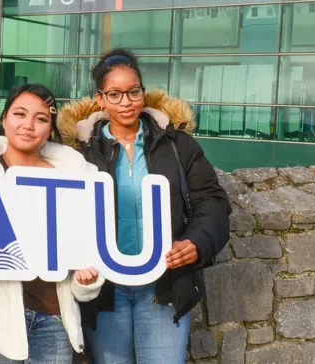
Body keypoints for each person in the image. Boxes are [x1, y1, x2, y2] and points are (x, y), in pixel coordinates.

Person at [57, 48, 232, 364]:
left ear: (143, 92)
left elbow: (213, 202)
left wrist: (198, 242)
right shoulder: (81, 154)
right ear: (100, 99)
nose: (126, 102)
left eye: (133, 92)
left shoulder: (178, 145)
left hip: (163, 286)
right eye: (115, 94)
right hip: (106, 290)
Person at [0, 84, 105, 364]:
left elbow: (87, 247)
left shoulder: (74, 178)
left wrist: (86, 279)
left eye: (41, 118)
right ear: (4, 119)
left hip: (55, 320)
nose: (28, 125)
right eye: (20, 114)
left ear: (50, 128)